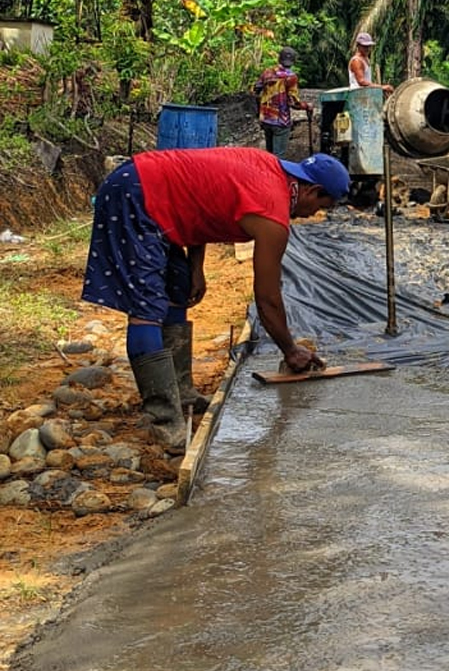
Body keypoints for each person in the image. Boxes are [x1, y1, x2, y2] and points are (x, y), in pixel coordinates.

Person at [82, 149, 350, 450]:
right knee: (147, 305)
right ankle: (163, 419)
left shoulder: (270, 168)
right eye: (320, 206)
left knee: (177, 289)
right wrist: (290, 350)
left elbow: (201, 199)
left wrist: (196, 267)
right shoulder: (271, 212)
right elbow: (267, 298)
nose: (312, 215)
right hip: (136, 193)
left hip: (150, 187)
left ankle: (181, 392)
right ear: (312, 190)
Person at [252, 47, 312, 158]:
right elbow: (293, 102)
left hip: (266, 119)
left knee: (269, 156)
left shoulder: (267, 73)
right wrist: (306, 106)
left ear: (279, 59)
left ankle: (267, 174)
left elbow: (255, 90)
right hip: (281, 122)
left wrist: (260, 108)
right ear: (293, 61)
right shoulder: (291, 77)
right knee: (278, 157)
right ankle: (275, 175)